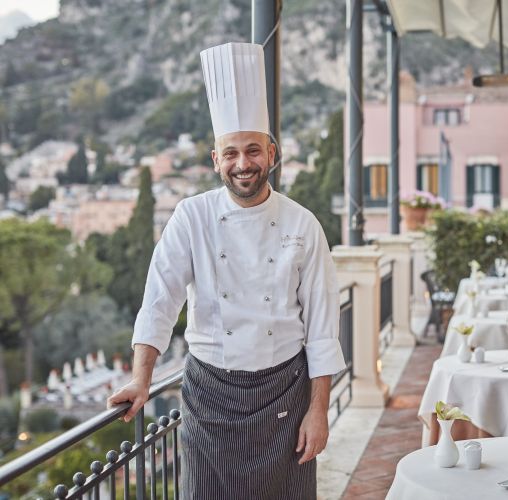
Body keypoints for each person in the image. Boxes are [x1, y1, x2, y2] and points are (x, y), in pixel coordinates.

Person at [107, 42, 345, 499]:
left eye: (253, 151)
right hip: (208, 394)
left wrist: (319, 411)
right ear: (215, 159)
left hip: (285, 394)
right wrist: (141, 379)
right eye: (230, 153)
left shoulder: (303, 224)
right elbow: (159, 301)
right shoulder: (190, 216)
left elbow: (321, 330)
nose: (243, 164)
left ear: (272, 154)